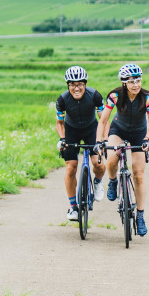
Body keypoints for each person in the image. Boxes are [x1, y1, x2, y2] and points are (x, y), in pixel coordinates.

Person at [97, 63, 149, 237]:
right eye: (131, 81)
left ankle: (140, 215)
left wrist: (146, 139)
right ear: (124, 83)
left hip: (139, 133)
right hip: (119, 129)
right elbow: (103, 121)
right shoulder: (115, 95)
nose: (136, 85)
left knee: (138, 174)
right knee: (113, 156)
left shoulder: (147, 98)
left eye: (138, 80)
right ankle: (113, 181)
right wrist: (99, 141)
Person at [55, 65, 105, 222]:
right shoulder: (62, 100)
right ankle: (73, 207)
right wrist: (62, 139)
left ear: (85, 84)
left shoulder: (94, 95)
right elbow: (59, 123)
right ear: (68, 85)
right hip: (71, 131)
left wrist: (104, 139)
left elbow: (103, 119)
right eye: (72, 84)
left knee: (98, 163)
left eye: (80, 84)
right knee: (70, 168)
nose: (76, 88)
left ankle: (97, 183)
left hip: (92, 129)